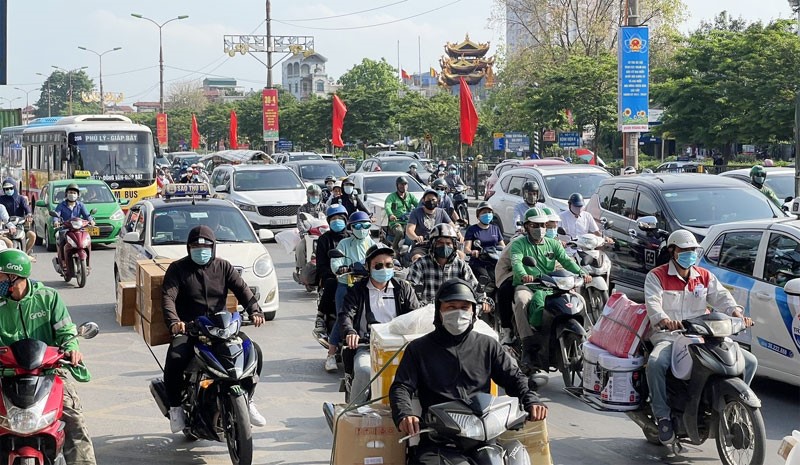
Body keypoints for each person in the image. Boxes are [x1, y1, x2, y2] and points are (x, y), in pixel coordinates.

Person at [389, 279, 547, 464]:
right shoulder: (419, 349)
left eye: (464, 307)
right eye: (451, 307)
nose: (458, 312)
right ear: (439, 311)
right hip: (440, 439)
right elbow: (401, 386)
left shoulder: (487, 345)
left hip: (484, 436)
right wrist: (405, 413)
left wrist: (531, 399)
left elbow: (514, 377)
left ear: (473, 311)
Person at [643, 229, 757, 445]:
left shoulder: (704, 276)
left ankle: (734, 404)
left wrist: (737, 313)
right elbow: (653, 303)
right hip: (671, 336)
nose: (689, 254)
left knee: (749, 362)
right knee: (656, 363)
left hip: (703, 335)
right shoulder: (656, 276)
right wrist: (665, 319)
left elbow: (722, 297)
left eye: (693, 250)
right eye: (684, 250)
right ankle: (663, 416)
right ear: (672, 251)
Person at [161, 226, 266, 433]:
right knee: (175, 358)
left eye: (206, 246)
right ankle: (175, 408)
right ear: (188, 248)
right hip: (192, 329)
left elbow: (242, 289)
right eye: (196, 247)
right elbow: (168, 297)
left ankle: (248, 398)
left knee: (255, 352)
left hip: (223, 328)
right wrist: (175, 321)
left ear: (213, 247)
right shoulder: (177, 269)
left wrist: (255, 310)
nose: (201, 250)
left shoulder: (224, 267)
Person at [0, 249, 96, 465]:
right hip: (5, 374)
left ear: (14, 276)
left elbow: (66, 332)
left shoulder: (48, 298)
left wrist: (72, 348)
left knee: (75, 421)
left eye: (0, 277)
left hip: (49, 373)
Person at [340, 245, 422, 403]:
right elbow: (346, 314)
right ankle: (354, 414)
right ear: (368, 267)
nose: (384, 269)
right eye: (378, 265)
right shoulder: (357, 289)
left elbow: (415, 316)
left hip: (401, 348)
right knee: (364, 371)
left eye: (388, 265)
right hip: (367, 347)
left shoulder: (403, 288)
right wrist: (350, 332)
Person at [511, 208, 589, 369]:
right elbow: (517, 262)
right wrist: (524, 274)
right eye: (535, 225)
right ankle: (527, 344)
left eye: (542, 225)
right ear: (526, 226)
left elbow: (567, 261)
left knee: (579, 300)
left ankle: (586, 337)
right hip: (529, 285)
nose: (539, 229)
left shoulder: (553, 244)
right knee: (521, 301)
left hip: (553, 286)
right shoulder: (519, 244)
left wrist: (581, 272)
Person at [325, 211, 376, 372]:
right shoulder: (344, 244)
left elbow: (383, 257)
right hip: (346, 286)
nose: (362, 229)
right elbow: (335, 262)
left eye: (365, 225)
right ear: (351, 228)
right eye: (357, 226)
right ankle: (331, 354)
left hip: (367, 286)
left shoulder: (374, 245)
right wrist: (341, 268)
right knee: (343, 316)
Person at [407, 223, 483, 307]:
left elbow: (475, 288)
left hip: (455, 312)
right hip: (426, 314)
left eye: (448, 243)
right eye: (440, 243)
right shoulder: (420, 264)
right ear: (432, 244)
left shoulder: (461, 265)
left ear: (454, 245)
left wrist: (484, 301)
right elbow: (410, 290)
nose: (444, 246)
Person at [313, 205, 349, 344]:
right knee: (331, 283)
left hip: (352, 276)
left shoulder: (352, 238)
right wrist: (335, 273)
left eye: (340, 218)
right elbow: (321, 264)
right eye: (333, 218)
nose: (337, 221)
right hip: (332, 276)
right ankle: (321, 316)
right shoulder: (324, 239)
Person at [405, 189, 456, 262]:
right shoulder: (416, 213)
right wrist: (416, 237)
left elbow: (452, 226)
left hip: (439, 245)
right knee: (417, 258)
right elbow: (409, 230)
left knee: (459, 255)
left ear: (437, 201)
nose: (431, 201)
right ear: (423, 200)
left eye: (433, 199)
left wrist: (459, 234)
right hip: (421, 246)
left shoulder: (441, 212)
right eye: (428, 199)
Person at [464, 201, 505, 286]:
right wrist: (473, 252)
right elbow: (466, 249)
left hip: (494, 260)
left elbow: (502, 246)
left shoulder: (495, 229)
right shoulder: (472, 229)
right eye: (484, 212)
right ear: (478, 215)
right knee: (485, 279)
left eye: (489, 212)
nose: (487, 214)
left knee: (502, 280)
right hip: (479, 262)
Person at [53, 184, 94, 266]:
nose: (72, 194)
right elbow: (56, 215)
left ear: (78, 195)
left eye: (74, 193)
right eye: (70, 192)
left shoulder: (80, 205)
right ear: (66, 194)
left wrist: (91, 221)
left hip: (79, 229)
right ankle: (63, 260)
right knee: (60, 238)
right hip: (65, 229)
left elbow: (87, 215)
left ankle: (88, 263)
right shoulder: (61, 205)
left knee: (87, 239)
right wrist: (56, 221)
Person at [295, 184, 326, 275]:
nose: (314, 197)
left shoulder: (325, 207)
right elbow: (299, 222)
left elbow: (329, 220)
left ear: (320, 196)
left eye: (316, 195)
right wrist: (303, 232)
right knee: (300, 248)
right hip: (308, 235)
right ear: (308, 196)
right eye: (312, 195)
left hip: (323, 235)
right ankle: (300, 269)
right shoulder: (302, 209)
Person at [0, 178, 35, 257]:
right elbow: (4, 218)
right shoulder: (1, 201)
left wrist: (29, 215)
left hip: (20, 226)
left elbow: (27, 208)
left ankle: (26, 254)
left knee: (32, 235)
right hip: (5, 229)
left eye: (10, 188)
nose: (8, 190)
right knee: (8, 243)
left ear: (14, 188)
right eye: (6, 189)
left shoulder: (21, 199)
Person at [384, 176, 419, 252]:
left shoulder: (410, 196)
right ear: (397, 185)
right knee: (399, 232)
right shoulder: (391, 197)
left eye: (405, 184)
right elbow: (387, 206)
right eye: (401, 184)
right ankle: (394, 250)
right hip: (396, 222)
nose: (403, 186)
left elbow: (418, 205)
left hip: (408, 222)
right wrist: (391, 215)